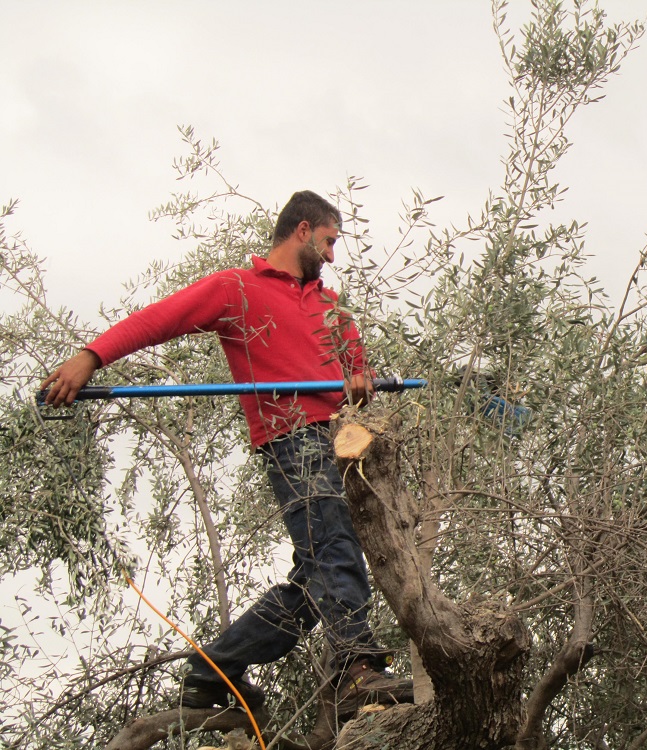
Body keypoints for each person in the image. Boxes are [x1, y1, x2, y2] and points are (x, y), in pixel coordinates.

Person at [41, 190, 412, 718]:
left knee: (316, 583)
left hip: (334, 443)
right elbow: (158, 320)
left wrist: (359, 381)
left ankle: (213, 671)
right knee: (335, 551)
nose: (333, 256)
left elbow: (356, 371)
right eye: (329, 242)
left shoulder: (333, 308)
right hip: (290, 438)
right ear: (302, 230)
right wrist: (90, 357)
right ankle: (356, 670)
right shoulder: (237, 288)